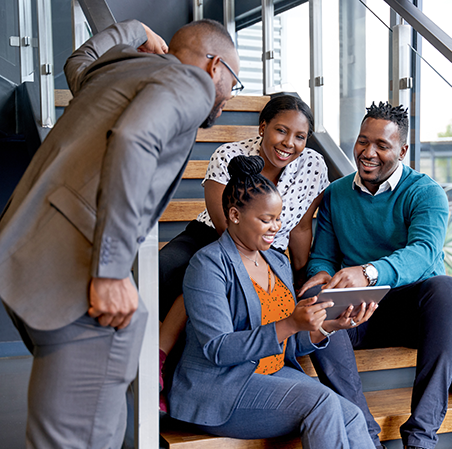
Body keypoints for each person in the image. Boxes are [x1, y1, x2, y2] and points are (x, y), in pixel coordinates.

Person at [0, 18, 241, 448]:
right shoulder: (192, 82)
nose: (227, 98)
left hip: (30, 264)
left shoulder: (122, 72)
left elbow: (78, 62)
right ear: (215, 66)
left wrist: (132, 29)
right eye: (234, 83)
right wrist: (112, 271)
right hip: (80, 284)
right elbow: (135, 138)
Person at [168, 155, 377, 448]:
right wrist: (291, 323)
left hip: (274, 373)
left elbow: (288, 342)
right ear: (235, 215)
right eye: (266, 219)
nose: (275, 227)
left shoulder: (277, 262)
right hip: (222, 387)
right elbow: (218, 349)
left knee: (352, 416)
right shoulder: (208, 265)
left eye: (278, 218)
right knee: (323, 403)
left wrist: (329, 325)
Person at [298, 102, 452, 449]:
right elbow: (323, 256)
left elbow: (423, 254)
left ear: (402, 150)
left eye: (381, 145)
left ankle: (421, 435)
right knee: (312, 304)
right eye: (363, 141)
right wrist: (319, 275)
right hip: (355, 314)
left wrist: (368, 272)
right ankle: (365, 434)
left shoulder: (426, 192)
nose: (368, 152)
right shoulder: (337, 193)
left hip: (409, 310)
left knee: (448, 290)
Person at [158, 95, 329, 401]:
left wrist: (301, 274)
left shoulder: (313, 165)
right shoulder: (229, 154)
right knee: (168, 270)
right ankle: (160, 358)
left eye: (300, 136)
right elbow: (226, 225)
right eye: (281, 131)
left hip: (270, 248)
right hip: (214, 234)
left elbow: (302, 227)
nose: (289, 143)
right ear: (263, 126)